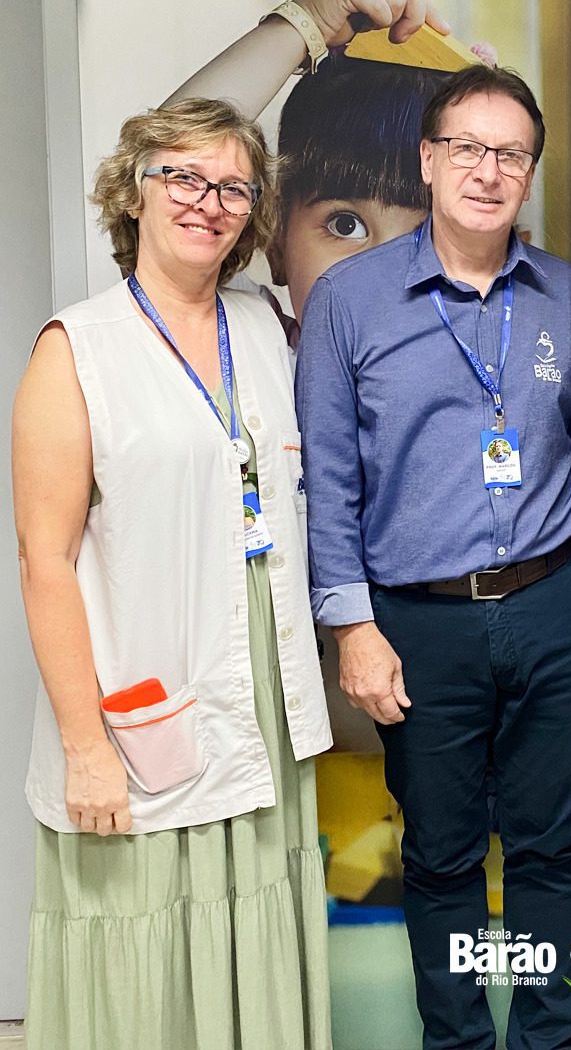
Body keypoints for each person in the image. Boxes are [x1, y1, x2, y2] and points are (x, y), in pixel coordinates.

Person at [295, 64, 571, 1049]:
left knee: (549, 848)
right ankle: (461, 1041)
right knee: (438, 855)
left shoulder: (563, 293)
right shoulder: (351, 302)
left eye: (509, 152)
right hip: (416, 623)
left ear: (530, 170)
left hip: (552, 605)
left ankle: (546, 1039)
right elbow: (331, 480)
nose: (488, 170)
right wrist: (352, 627)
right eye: (467, 148)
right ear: (430, 161)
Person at [13, 98, 332, 1050]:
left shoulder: (267, 331)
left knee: (257, 908)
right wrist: (83, 743)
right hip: (139, 693)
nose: (209, 202)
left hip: (263, 684)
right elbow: (45, 560)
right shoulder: (78, 348)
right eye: (183, 177)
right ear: (134, 191)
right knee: (145, 931)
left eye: (234, 185)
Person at [166, 0, 456, 329]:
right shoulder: (255, 354)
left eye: (431, 238)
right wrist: (303, 24)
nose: (385, 278)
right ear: (277, 244)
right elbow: (168, 184)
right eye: (346, 225)